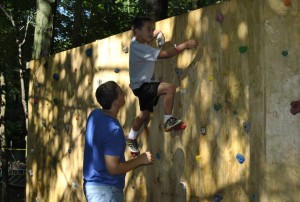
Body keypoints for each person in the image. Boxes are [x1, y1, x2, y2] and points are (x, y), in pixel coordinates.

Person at [127, 16, 199, 156]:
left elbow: (150, 35)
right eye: (148, 29)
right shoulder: (141, 48)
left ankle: (131, 137)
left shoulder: (134, 41)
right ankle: (168, 120)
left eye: (151, 29)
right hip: (143, 86)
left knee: (144, 115)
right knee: (170, 88)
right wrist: (183, 46)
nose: (151, 31)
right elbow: (165, 54)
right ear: (137, 31)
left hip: (139, 86)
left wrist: (158, 32)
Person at [83, 81, 154, 202]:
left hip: (93, 188)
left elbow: (102, 141)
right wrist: (141, 160)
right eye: (121, 92)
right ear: (115, 102)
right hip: (105, 192)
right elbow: (113, 169)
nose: (124, 93)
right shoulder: (113, 130)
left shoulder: (94, 115)